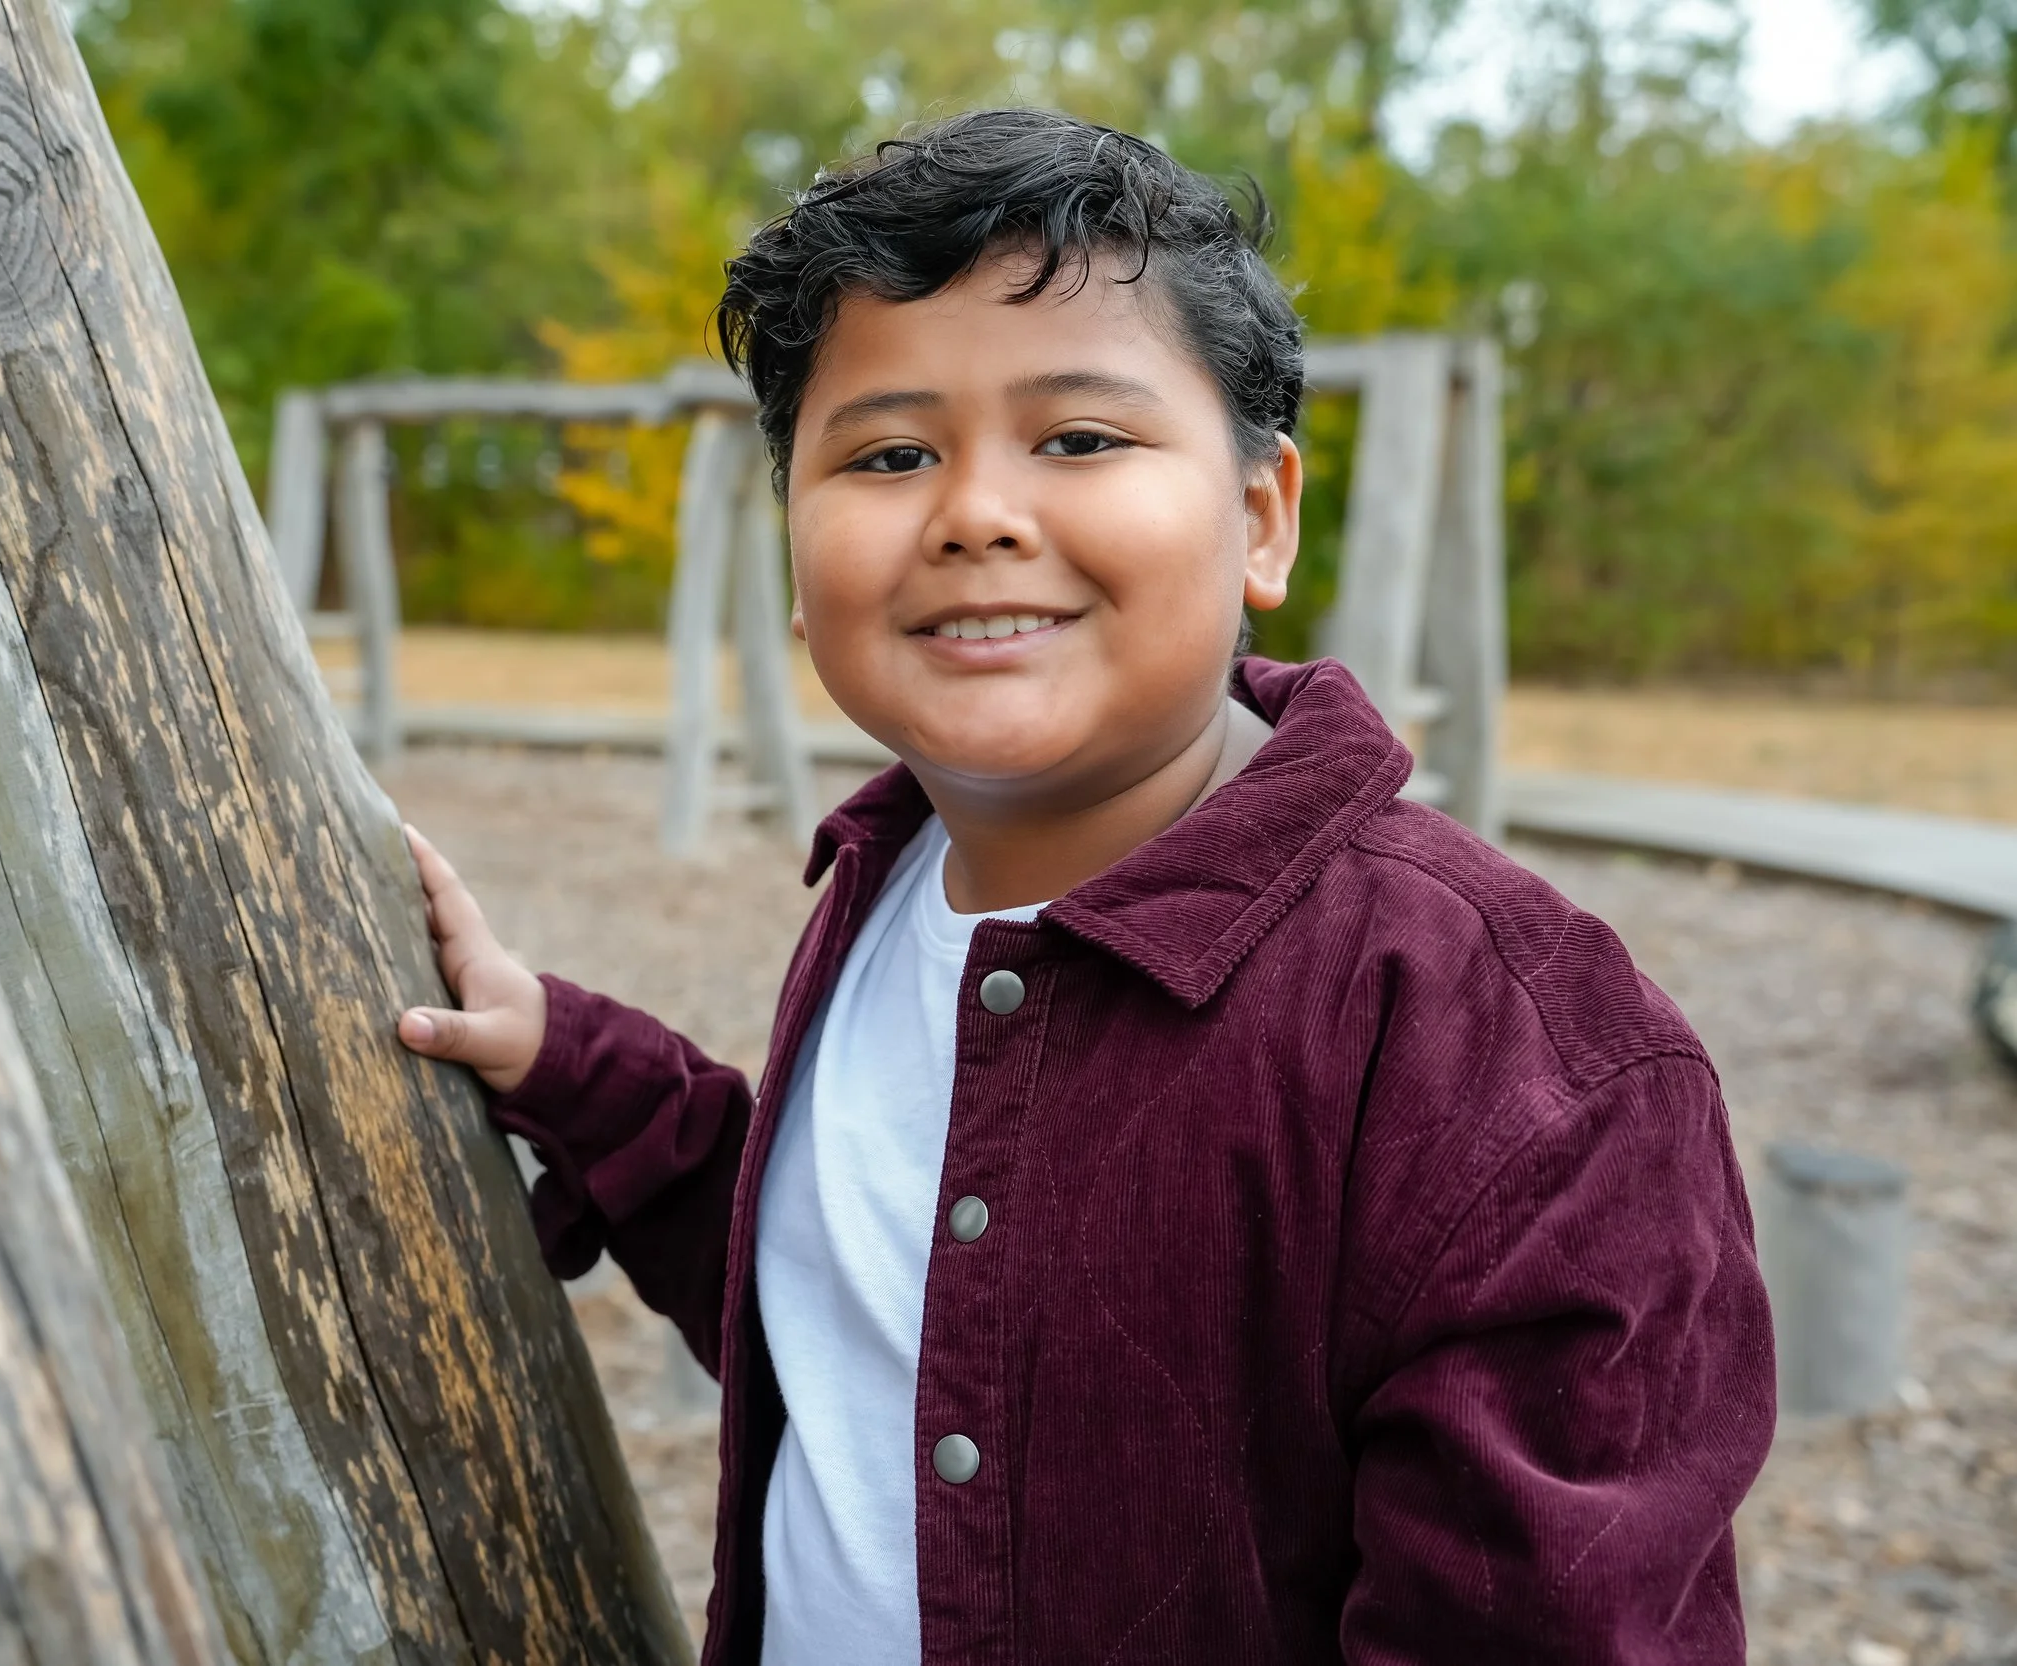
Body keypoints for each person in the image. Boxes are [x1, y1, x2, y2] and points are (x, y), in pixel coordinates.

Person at [395, 107, 1775, 1665]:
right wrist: (572, 1064)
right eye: (890, 454)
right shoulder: (889, 880)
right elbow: (873, 1308)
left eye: (1079, 439)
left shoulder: (1510, 1056)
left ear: (1260, 519)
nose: (975, 513)